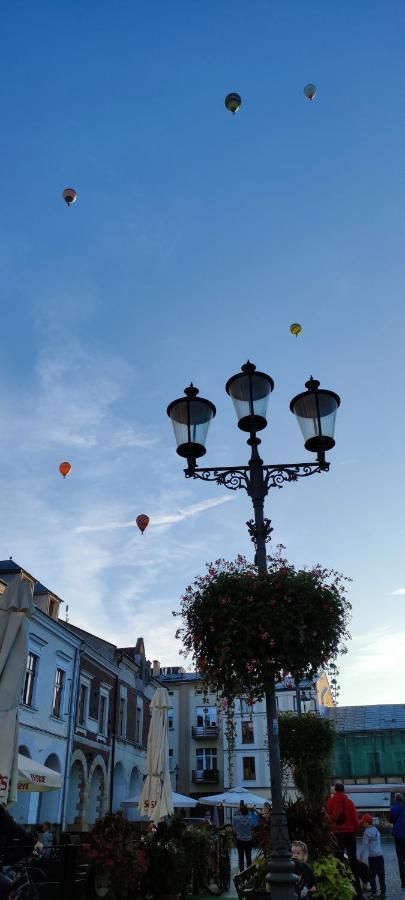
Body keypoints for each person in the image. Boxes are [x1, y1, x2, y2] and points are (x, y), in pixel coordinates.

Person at [326, 781, 362, 898]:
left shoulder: (330, 802)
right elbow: (355, 820)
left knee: (338, 860)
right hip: (349, 833)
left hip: (336, 834)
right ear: (343, 790)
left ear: (335, 790)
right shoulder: (349, 802)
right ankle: (357, 888)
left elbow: (327, 817)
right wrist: (355, 830)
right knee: (352, 860)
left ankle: (339, 886)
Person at [359, 815, 386, 899]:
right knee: (381, 875)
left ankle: (374, 893)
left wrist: (360, 857)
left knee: (372, 876)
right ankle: (383, 893)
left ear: (367, 823)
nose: (362, 824)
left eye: (363, 822)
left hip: (372, 857)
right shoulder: (376, 830)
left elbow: (364, 846)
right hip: (380, 855)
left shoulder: (367, 832)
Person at [233, 800, 253, 872]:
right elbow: (252, 825)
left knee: (240, 859)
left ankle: (241, 873)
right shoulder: (250, 818)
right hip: (248, 841)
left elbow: (234, 816)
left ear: (240, 811)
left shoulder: (236, 818)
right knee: (249, 858)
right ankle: (249, 873)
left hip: (240, 841)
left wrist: (239, 808)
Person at [390, 792, 405, 888]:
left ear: (395, 799)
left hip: (398, 836)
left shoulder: (393, 808)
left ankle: (403, 882)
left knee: (400, 859)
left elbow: (391, 820)